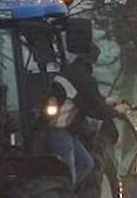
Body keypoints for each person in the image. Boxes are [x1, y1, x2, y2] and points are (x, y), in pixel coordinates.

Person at [49, 42, 128, 184]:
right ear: (94, 59)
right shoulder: (84, 78)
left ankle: (70, 195)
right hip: (59, 129)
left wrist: (108, 101)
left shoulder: (70, 72)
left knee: (86, 163)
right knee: (68, 177)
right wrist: (116, 111)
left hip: (67, 130)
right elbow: (96, 110)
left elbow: (84, 99)